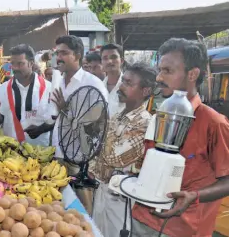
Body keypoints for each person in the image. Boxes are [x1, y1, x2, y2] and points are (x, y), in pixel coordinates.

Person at [132, 38, 229, 237]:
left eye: (167, 71)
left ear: (192, 74)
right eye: (160, 70)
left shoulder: (214, 124)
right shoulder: (160, 115)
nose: (158, 77)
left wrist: (194, 196)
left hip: (183, 229)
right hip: (141, 218)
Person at [90, 62, 156, 237]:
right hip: (102, 191)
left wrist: (98, 139)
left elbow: (113, 158)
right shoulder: (117, 116)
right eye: (123, 81)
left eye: (129, 83)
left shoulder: (145, 123)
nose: (121, 86)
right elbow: (95, 151)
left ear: (145, 91)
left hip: (122, 201)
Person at [50, 35, 108, 214]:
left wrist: (66, 110)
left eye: (64, 53)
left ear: (77, 55)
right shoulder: (59, 80)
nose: (59, 57)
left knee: (82, 213)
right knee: (61, 211)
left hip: (79, 158)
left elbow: (99, 126)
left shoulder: (93, 84)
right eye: (57, 53)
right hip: (58, 153)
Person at [0, 44, 53, 146]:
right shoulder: (3, 89)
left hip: (40, 154)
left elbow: (56, 120)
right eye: (13, 63)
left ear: (31, 63)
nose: (15, 68)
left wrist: (41, 129)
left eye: (20, 64)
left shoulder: (49, 88)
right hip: (11, 154)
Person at [101, 43, 125, 118]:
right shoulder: (98, 87)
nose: (109, 61)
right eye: (105, 58)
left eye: (114, 57)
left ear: (122, 60)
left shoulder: (131, 86)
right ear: (101, 62)